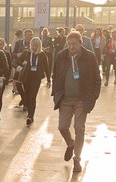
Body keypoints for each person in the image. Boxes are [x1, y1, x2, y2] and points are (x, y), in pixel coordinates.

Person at [52, 31, 101, 173]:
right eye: (69, 44)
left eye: (74, 44)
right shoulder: (61, 56)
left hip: (82, 100)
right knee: (62, 127)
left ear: (81, 43)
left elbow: (97, 78)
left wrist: (94, 96)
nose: (71, 47)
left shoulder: (89, 57)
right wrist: (55, 92)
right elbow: (55, 75)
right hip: (65, 99)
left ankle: (77, 159)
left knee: (79, 128)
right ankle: (70, 143)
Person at [20, 37, 48, 125]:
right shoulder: (26, 53)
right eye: (32, 45)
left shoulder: (42, 55)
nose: (33, 47)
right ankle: (28, 108)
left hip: (36, 78)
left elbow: (47, 67)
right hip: (26, 78)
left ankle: (30, 116)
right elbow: (17, 61)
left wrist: (48, 79)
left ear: (39, 46)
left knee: (32, 97)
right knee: (28, 97)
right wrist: (21, 64)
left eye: (35, 45)